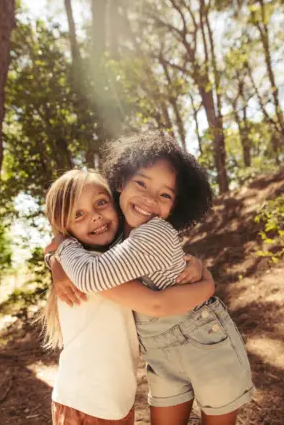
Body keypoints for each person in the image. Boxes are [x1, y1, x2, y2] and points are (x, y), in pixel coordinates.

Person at [48, 132, 255, 425]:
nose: (148, 198)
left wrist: (62, 245)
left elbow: (93, 277)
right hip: (159, 352)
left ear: (175, 207)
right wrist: (55, 259)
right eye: (142, 183)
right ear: (121, 182)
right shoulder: (117, 236)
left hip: (204, 342)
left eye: (165, 194)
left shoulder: (154, 232)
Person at [41, 169, 217, 425]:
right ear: (64, 228)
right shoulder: (91, 273)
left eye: (101, 203)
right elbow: (158, 303)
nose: (95, 217)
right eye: (78, 214)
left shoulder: (111, 261)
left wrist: (196, 265)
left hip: (111, 402)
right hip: (89, 404)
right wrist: (208, 284)